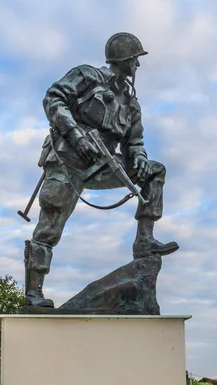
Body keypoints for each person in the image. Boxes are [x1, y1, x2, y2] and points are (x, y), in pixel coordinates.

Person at [26, 32, 178, 307]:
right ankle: (33, 293)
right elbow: (53, 99)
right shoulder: (87, 76)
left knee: (155, 171)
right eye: (135, 60)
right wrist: (75, 135)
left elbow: (134, 142)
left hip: (102, 164)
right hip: (68, 157)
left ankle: (144, 240)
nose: (137, 66)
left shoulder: (131, 103)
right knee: (50, 224)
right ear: (122, 60)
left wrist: (139, 159)